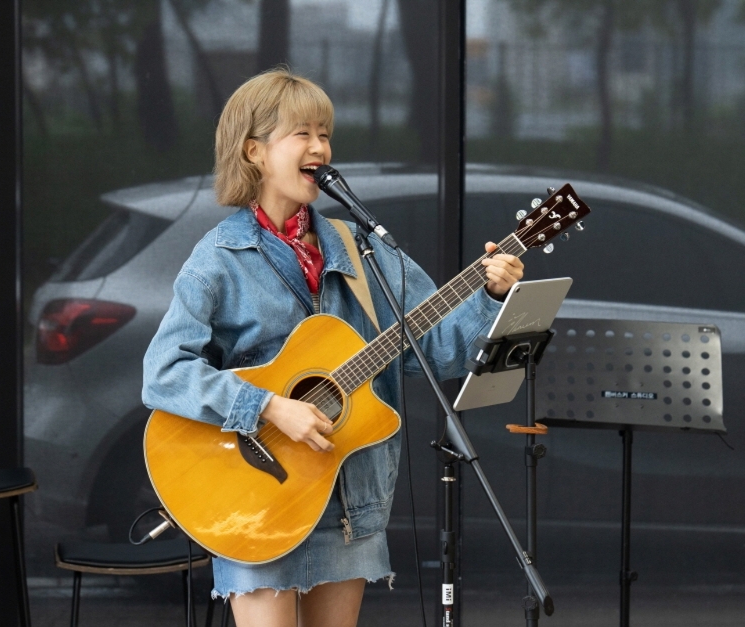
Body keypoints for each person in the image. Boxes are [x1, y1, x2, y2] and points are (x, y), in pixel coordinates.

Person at [142, 68, 524, 627]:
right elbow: (164, 372)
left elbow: (438, 352)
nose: (320, 147)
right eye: (303, 133)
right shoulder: (218, 259)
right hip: (254, 498)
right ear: (254, 151)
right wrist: (269, 407)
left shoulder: (359, 247)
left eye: (325, 134)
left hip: (349, 502)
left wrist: (491, 295)